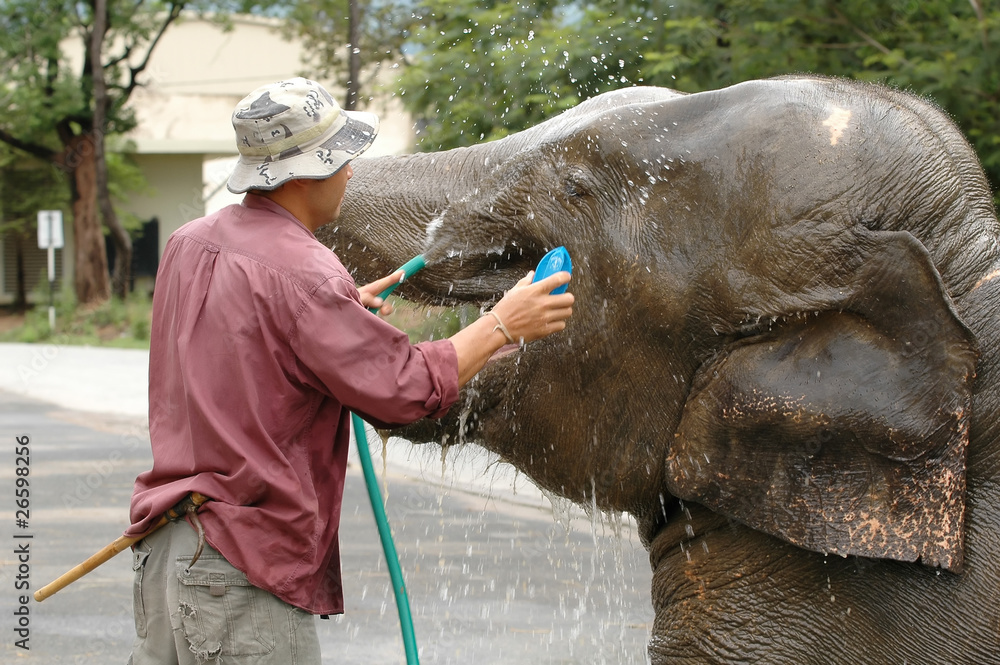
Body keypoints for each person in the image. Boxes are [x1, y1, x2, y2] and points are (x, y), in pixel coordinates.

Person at [124, 77, 573, 664]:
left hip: (167, 556)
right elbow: (404, 390)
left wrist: (335, 316)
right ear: (308, 172)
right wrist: (504, 324)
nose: (352, 172)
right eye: (343, 159)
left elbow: (242, 341)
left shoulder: (189, 243)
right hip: (236, 571)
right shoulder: (306, 273)